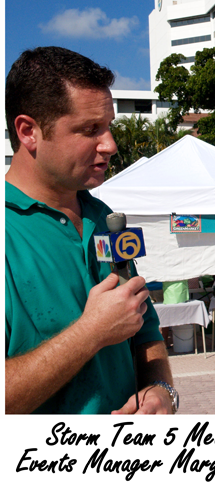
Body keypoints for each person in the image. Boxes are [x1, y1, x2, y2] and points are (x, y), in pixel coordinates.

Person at [5, 47, 178, 414]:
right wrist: (90, 333)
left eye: (109, 125)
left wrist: (160, 390)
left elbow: (145, 332)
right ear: (28, 131)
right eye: (89, 130)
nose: (111, 145)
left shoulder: (106, 219)